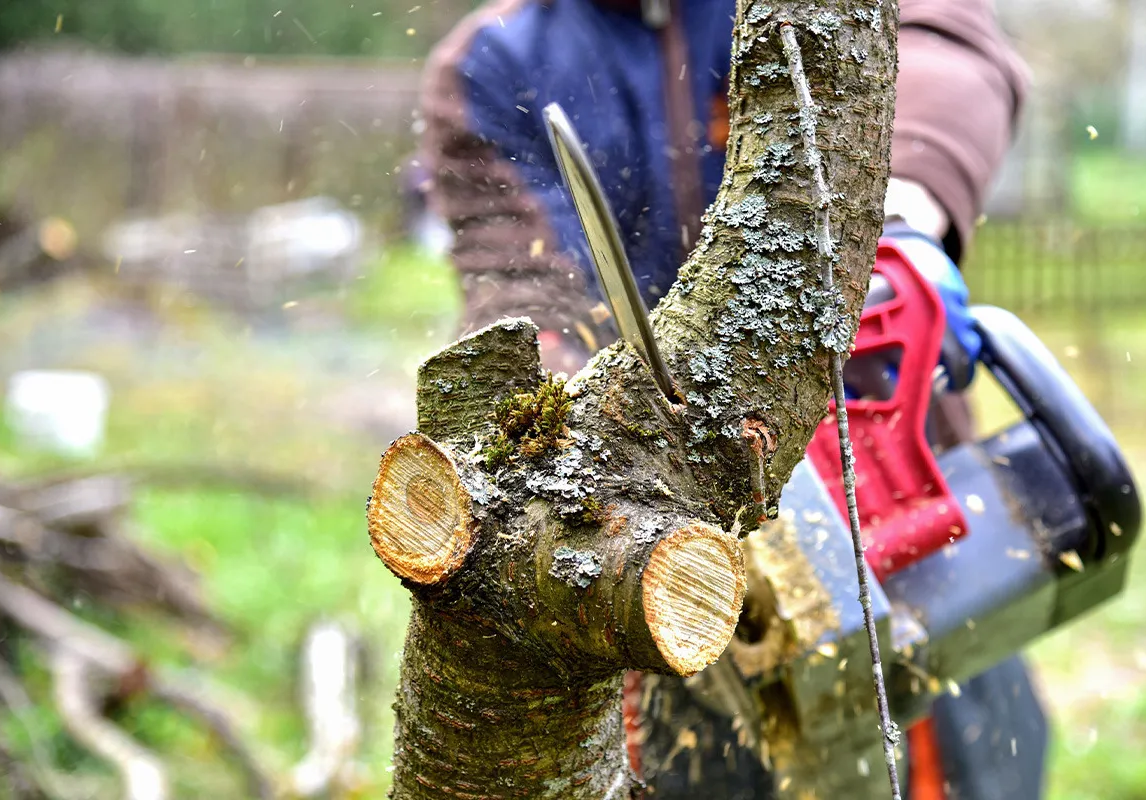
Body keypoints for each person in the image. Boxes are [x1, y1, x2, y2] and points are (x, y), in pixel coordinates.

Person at [417, 0, 1043, 796]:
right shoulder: (493, 61)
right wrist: (571, 416)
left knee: (948, 759)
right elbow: (520, 289)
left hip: (899, 529)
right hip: (672, 570)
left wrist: (899, 216)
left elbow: (946, 43)